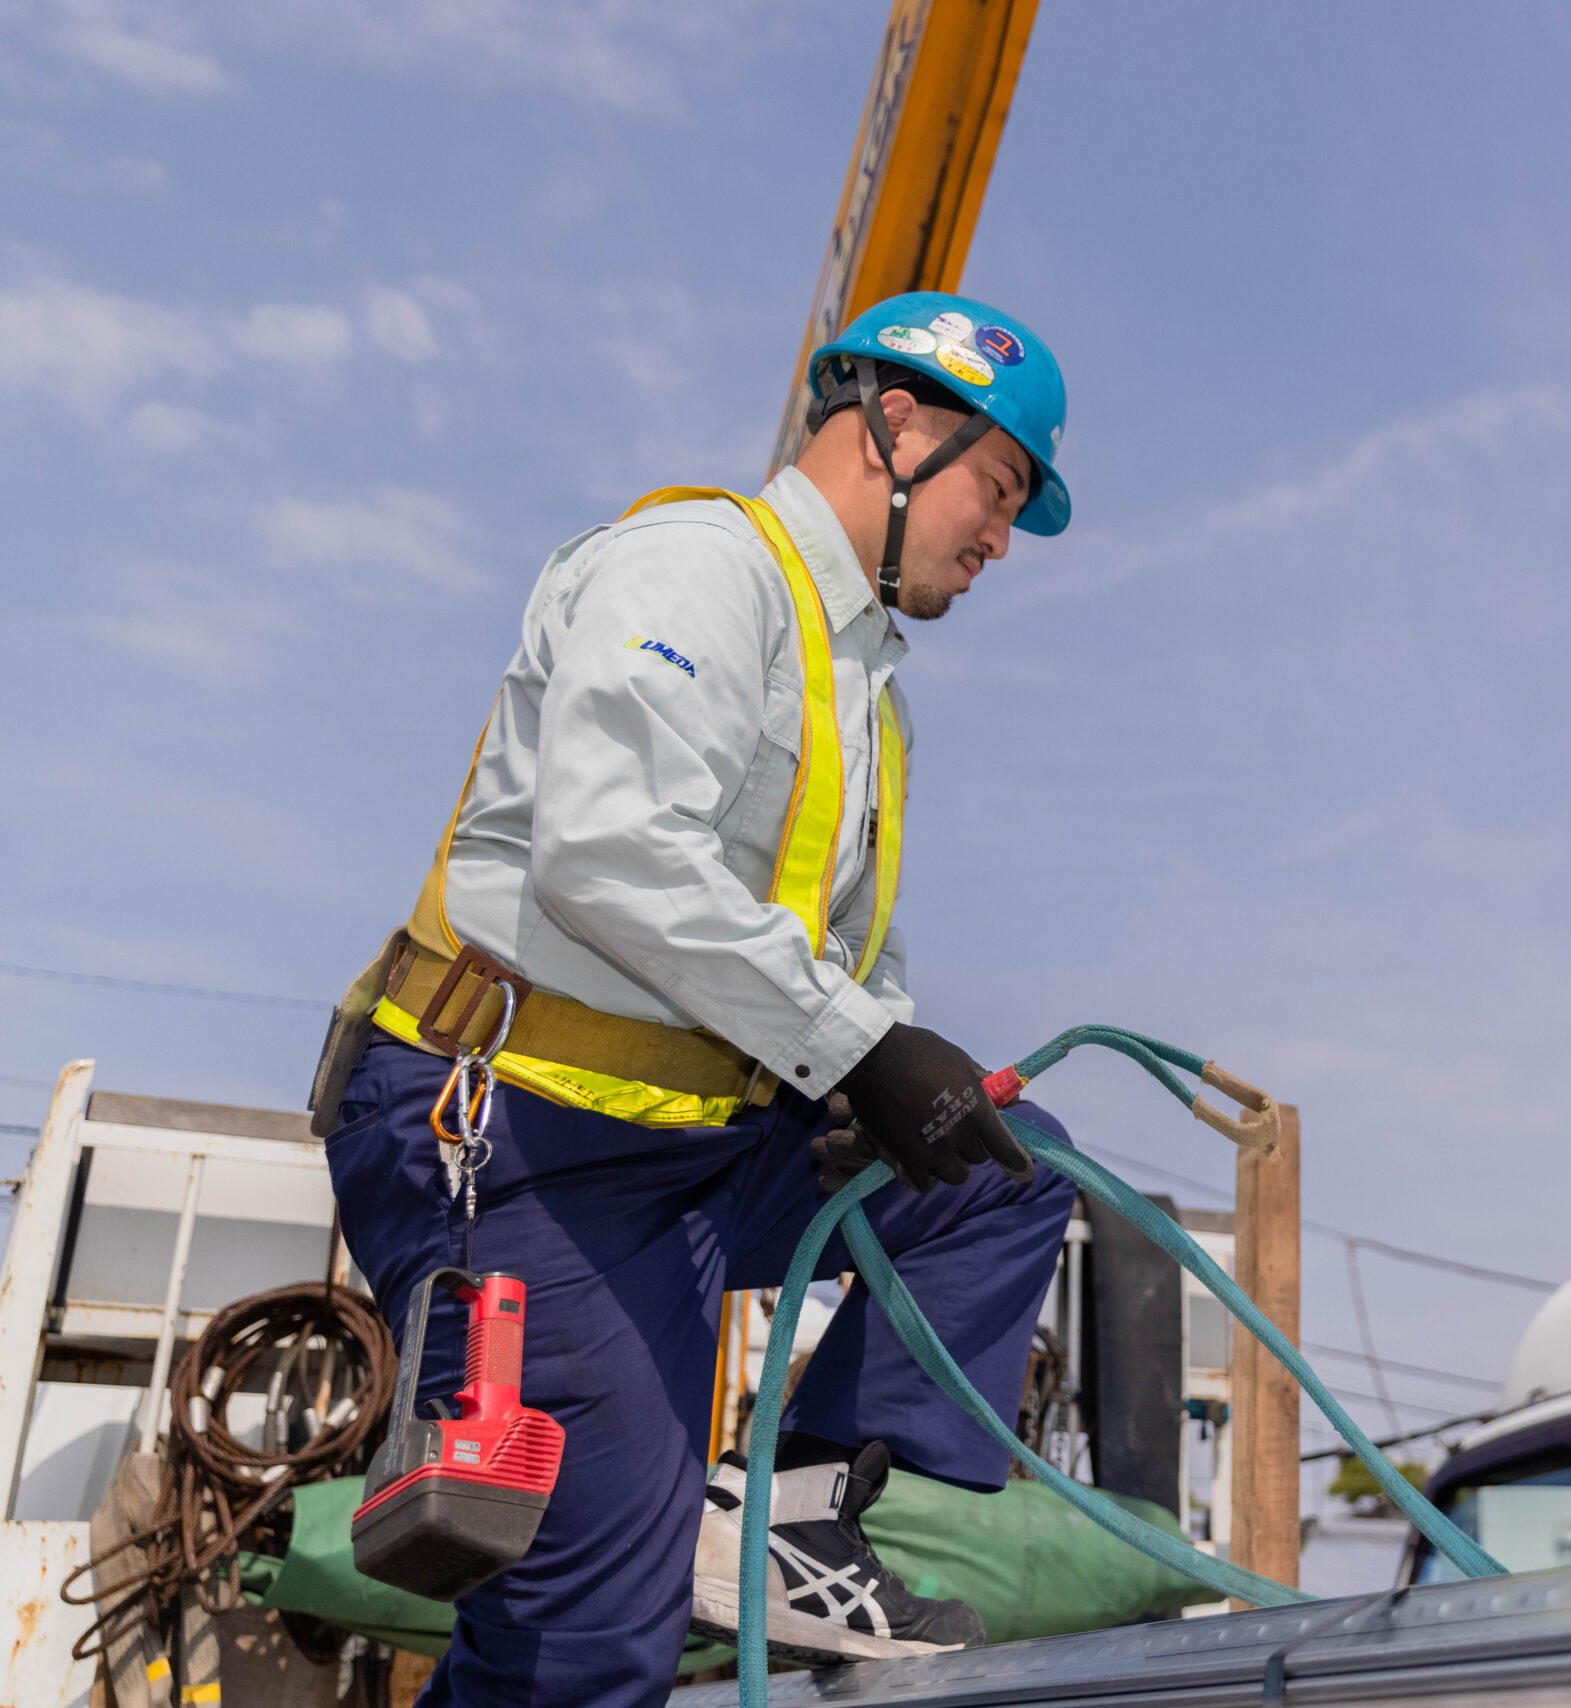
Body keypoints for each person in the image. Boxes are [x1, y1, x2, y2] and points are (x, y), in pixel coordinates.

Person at [313, 292, 1081, 1706]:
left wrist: (861, 1082)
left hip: (698, 1145)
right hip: (518, 1134)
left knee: (1000, 1173)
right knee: (587, 1633)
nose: (999, 538)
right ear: (895, 426)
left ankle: (787, 1516)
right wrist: (858, 1049)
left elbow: (846, 957)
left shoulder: (871, 692)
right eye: (998, 485)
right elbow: (607, 852)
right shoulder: (697, 568)